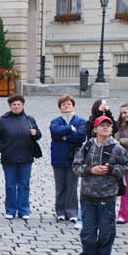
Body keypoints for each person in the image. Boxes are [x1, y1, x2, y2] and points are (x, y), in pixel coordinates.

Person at [73, 115, 128, 255]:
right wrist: (90, 170)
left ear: (112, 129)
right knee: (88, 230)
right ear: (95, 129)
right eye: (102, 125)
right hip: (87, 195)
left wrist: (113, 170)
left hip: (107, 197)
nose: (105, 128)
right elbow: (76, 166)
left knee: (107, 230)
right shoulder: (87, 146)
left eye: (108, 125)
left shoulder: (117, 148)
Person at [0, 94, 42, 220]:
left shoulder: (29, 119)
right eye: (14, 104)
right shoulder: (3, 120)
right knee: (10, 185)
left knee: (24, 185)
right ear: (10, 106)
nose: (16, 106)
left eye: (18, 104)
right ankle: (10, 209)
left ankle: (24, 210)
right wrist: (3, 149)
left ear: (23, 105)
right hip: (9, 157)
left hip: (26, 156)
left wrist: (36, 133)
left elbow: (38, 135)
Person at [49, 94, 86, 223]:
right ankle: (60, 211)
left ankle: (72, 212)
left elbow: (81, 136)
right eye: (63, 104)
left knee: (72, 186)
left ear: (73, 106)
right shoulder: (55, 121)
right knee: (60, 186)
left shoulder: (81, 121)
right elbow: (55, 132)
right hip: (58, 158)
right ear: (60, 108)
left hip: (74, 159)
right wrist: (70, 129)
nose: (66, 106)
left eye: (68, 104)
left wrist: (64, 137)